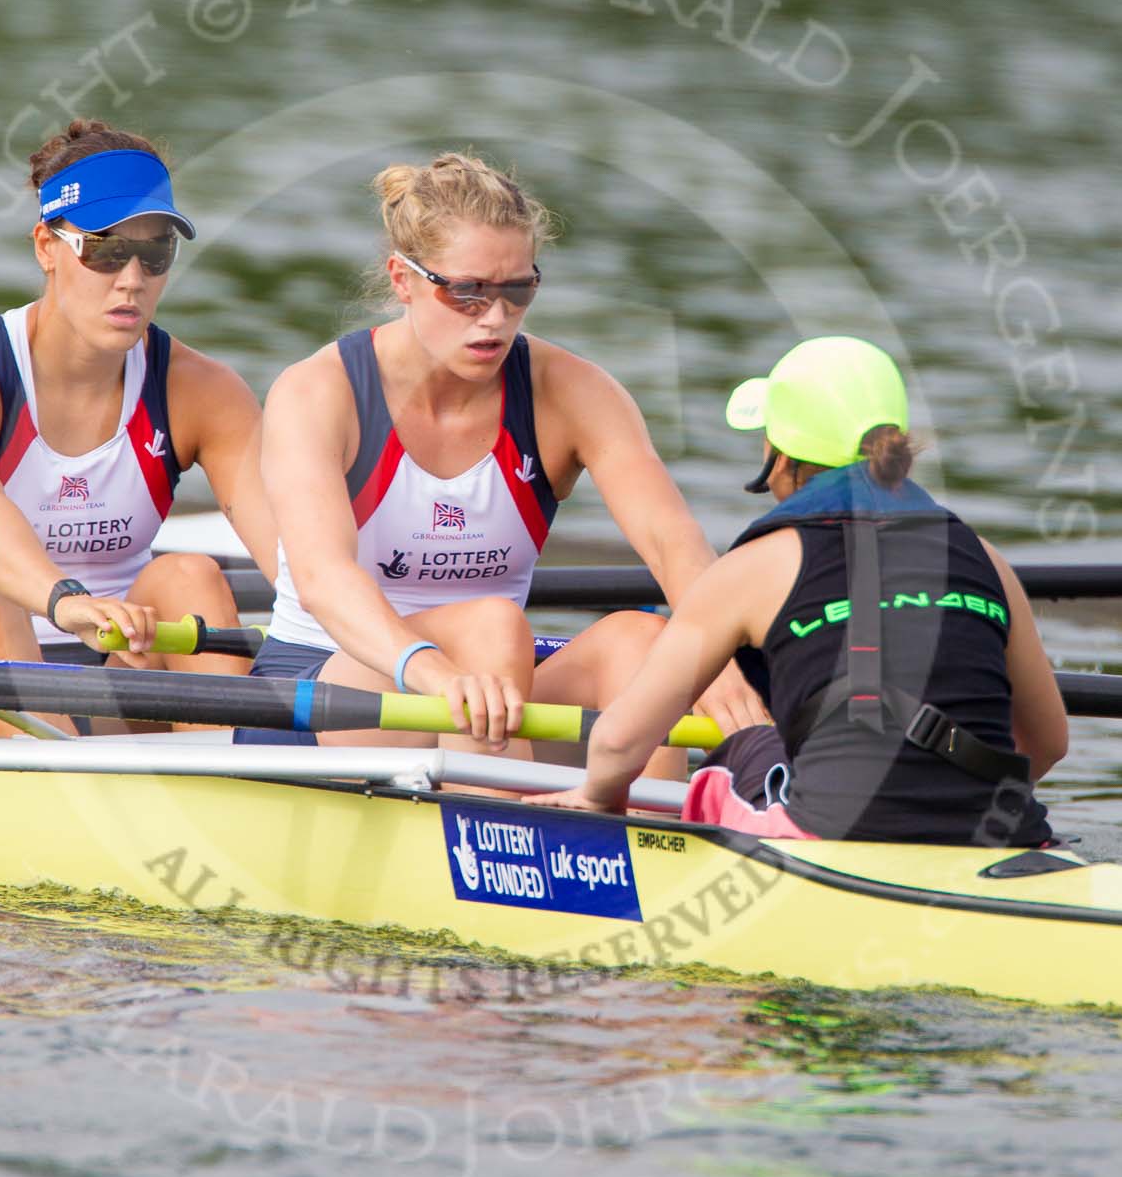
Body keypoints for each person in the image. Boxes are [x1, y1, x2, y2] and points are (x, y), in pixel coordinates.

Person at [256, 151, 767, 759]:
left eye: (517, 290)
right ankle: (501, 833)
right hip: (325, 693)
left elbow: (671, 543)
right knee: (491, 626)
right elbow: (323, 578)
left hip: (492, 692)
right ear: (403, 279)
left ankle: (654, 840)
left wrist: (716, 661)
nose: (495, 321)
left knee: (651, 642)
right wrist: (438, 675)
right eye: (467, 293)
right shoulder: (319, 391)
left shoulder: (575, 392)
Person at [530, 336, 1068, 846]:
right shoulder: (984, 557)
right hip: (1007, 831)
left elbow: (619, 741)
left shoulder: (750, 570)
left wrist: (595, 796)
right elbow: (1047, 743)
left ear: (778, 456)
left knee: (743, 749)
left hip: (829, 833)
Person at [0, 120, 271, 734]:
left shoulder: (203, 391)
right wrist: (66, 602)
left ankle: (227, 778)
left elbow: (292, 557)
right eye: (105, 249)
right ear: (46, 245)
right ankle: (69, 802)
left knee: (189, 575)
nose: (132, 279)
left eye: (154, 253)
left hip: (112, 679)